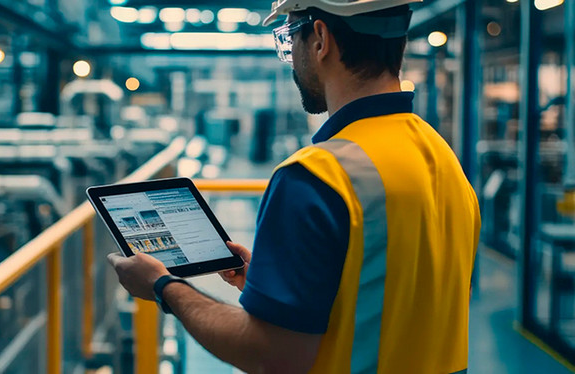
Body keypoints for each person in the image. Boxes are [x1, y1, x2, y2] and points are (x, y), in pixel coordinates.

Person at [107, 0, 480, 373]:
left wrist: (163, 286)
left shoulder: (316, 177)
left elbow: (270, 354)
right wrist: (285, 284)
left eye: (288, 38)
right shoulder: (441, 158)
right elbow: (398, 292)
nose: (291, 56)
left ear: (320, 39)